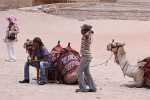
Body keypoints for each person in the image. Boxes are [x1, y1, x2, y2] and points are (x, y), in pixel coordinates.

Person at [75, 24, 97, 92]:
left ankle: (83, 88)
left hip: (86, 56)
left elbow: (87, 35)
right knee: (87, 72)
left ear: (85, 30)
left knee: (79, 72)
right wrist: (89, 31)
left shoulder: (86, 36)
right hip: (87, 56)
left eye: (82, 29)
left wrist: (89, 31)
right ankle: (92, 87)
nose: (80, 31)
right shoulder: (87, 36)